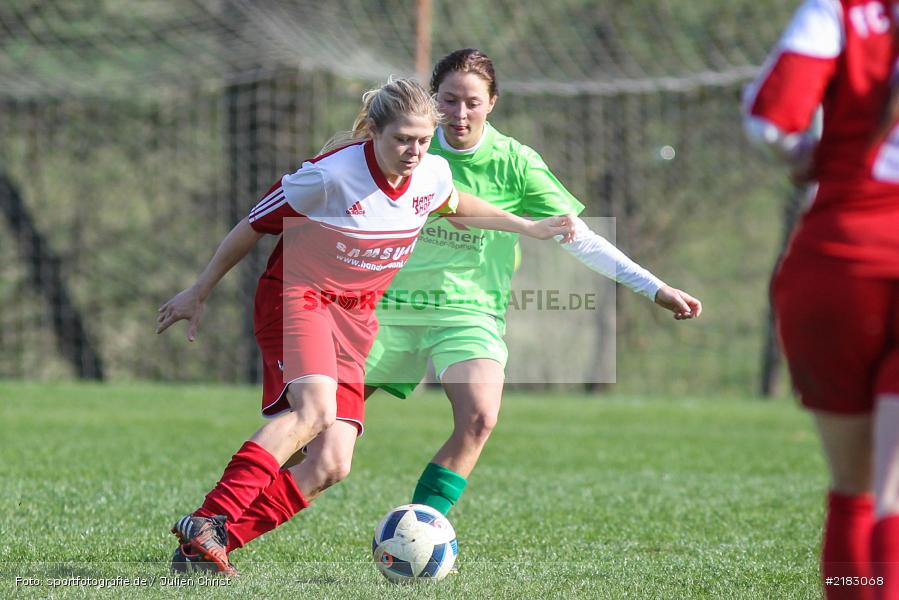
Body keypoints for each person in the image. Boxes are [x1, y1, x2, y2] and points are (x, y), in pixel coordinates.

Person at [155, 77, 575, 575]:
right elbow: (252, 223)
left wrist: (526, 225)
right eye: (402, 139)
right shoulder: (329, 176)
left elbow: (457, 204)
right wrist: (200, 289)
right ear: (374, 131)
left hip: (354, 318)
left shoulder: (431, 175)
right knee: (314, 412)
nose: (414, 150)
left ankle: (208, 547)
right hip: (298, 297)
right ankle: (210, 517)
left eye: (423, 139)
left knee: (333, 463)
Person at [743, 1, 899, 599]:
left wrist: (806, 161)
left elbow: (772, 120)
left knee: (852, 491)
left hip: (838, 267)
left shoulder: (842, 9)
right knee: (892, 495)